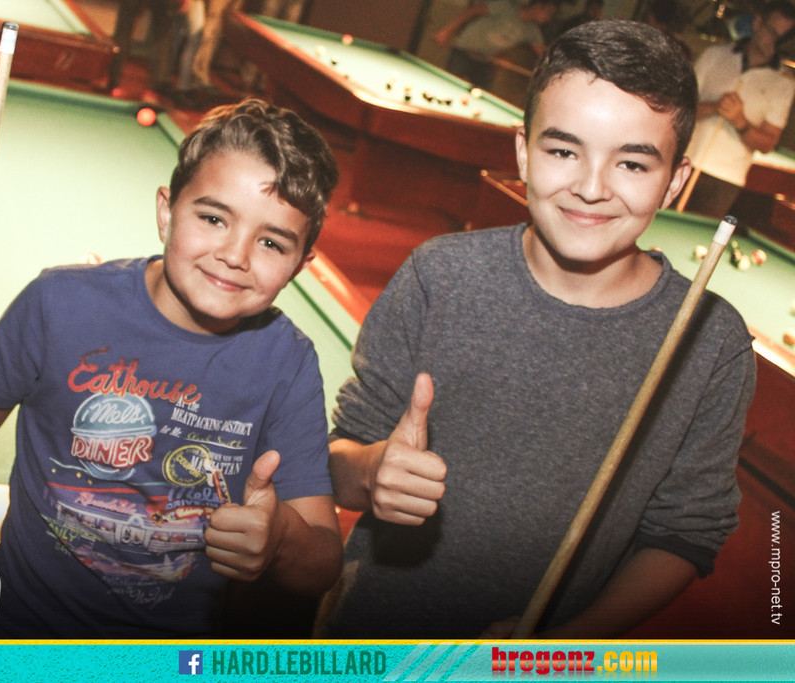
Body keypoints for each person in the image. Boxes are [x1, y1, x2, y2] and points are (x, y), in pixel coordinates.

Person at [316, 20, 756, 639]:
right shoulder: (439, 275)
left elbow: (686, 530)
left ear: (675, 182)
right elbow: (339, 459)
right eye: (563, 151)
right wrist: (371, 471)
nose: (591, 188)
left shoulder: (711, 341)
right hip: (371, 633)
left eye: (632, 163)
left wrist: (573, 639)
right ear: (523, 153)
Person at [0, 99, 343, 638]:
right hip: (12, 632)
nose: (236, 255)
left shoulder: (287, 363)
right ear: (166, 212)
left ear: (300, 266)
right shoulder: (56, 304)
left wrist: (280, 540)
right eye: (213, 218)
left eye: (271, 242)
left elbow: (322, 564)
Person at [681, 0, 795, 218]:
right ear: (758, 22)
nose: (773, 42)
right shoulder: (715, 55)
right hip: (685, 161)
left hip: (726, 179)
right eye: (772, 32)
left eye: (781, 38)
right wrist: (714, 107)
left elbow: (768, 144)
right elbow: (679, 109)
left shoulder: (784, 83)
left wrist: (740, 121)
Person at [432, 0, 560, 90]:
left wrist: (555, 74)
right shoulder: (506, 7)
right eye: (548, 12)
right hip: (464, 52)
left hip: (486, 60)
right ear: (538, 6)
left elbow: (543, 54)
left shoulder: (532, 31)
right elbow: (473, 11)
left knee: (482, 94)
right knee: (448, 86)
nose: (548, 18)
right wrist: (447, 31)